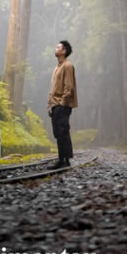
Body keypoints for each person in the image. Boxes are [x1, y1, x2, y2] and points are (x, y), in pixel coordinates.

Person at [47, 39, 78, 167]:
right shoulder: (56, 69)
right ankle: (62, 159)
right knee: (57, 133)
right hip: (54, 105)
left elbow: (69, 86)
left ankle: (64, 160)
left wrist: (63, 103)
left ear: (64, 51)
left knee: (63, 131)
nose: (55, 49)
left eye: (58, 47)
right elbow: (52, 88)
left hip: (62, 104)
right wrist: (50, 104)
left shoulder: (68, 66)